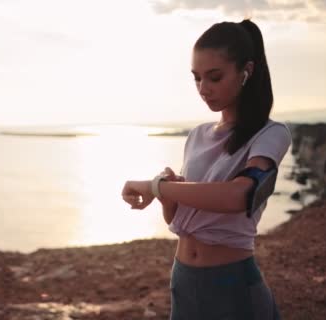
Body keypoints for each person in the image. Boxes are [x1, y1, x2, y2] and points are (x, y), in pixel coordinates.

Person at [121, 19, 291, 319]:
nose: (203, 89)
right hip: (183, 279)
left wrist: (155, 186)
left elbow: (240, 195)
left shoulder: (270, 134)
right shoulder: (197, 135)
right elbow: (178, 218)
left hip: (232, 283)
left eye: (214, 77)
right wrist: (167, 194)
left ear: (246, 72)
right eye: (197, 78)